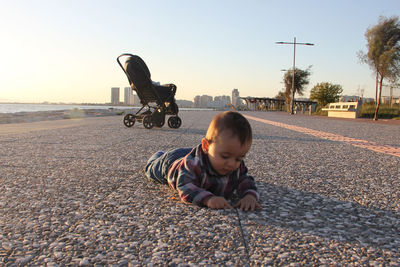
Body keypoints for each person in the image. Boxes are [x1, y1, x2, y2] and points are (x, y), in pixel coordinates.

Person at [144, 111, 261, 211]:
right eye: (225, 156)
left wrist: (250, 195)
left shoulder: (235, 164)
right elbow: (185, 186)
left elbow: (246, 180)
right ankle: (159, 154)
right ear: (206, 146)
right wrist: (207, 198)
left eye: (239, 158)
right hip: (170, 163)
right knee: (150, 169)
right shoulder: (193, 165)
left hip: (198, 153)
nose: (231, 163)